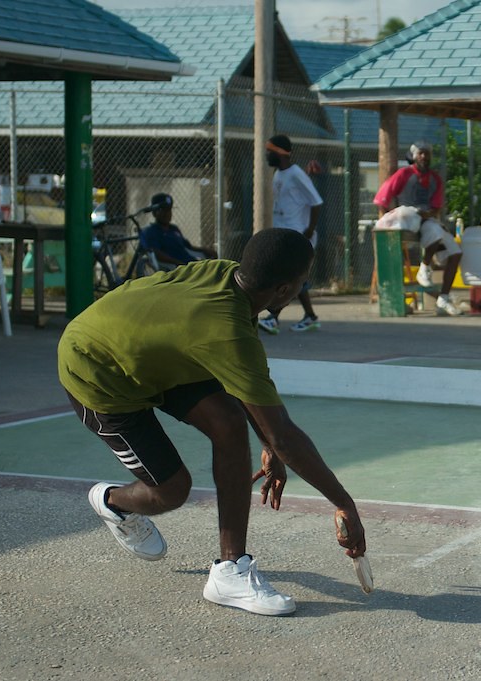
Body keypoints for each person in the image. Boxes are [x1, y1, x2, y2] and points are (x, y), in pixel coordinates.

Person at [58, 228, 367, 616]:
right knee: (172, 490)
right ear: (284, 290)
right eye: (303, 281)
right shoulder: (227, 329)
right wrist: (344, 503)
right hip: (97, 371)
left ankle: (230, 571)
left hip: (153, 355)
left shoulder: (231, 282)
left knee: (229, 423)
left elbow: (248, 394)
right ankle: (114, 502)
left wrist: (269, 445)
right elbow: (285, 435)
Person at [374, 141, 463, 316]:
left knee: (455, 252)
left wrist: (428, 215)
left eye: (427, 153)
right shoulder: (404, 174)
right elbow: (382, 198)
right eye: (420, 153)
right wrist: (388, 217)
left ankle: (442, 297)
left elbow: (437, 206)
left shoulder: (435, 178)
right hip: (406, 219)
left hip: (426, 219)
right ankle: (424, 271)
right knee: (431, 229)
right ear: (413, 156)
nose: (424, 156)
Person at [258, 134, 324, 334]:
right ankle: (309, 317)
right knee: (290, 277)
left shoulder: (296, 174)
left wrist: (309, 230)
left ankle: (274, 317)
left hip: (298, 235)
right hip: (284, 233)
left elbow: (316, 202)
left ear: (281, 153)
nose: (267, 155)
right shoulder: (281, 174)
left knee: (285, 275)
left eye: (270, 151)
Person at [139, 193, 216, 268]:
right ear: (154, 213)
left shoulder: (174, 229)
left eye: (169, 210)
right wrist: (178, 263)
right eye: (163, 210)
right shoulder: (151, 231)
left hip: (192, 265)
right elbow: (156, 253)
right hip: (178, 270)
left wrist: (205, 250)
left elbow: (188, 247)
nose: (167, 214)